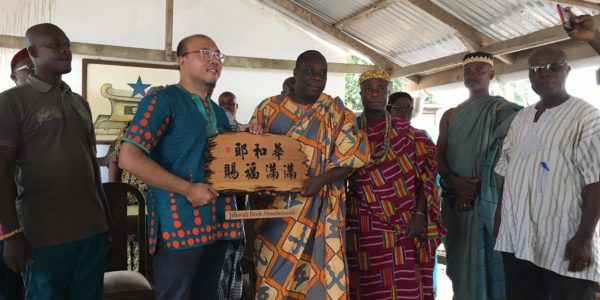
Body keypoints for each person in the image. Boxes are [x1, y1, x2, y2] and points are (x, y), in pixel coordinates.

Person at [118, 34, 259, 300]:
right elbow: (128, 157)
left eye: (218, 55)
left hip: (219, 224)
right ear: (181, 60)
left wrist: (249, 136)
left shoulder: (218, 112)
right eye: (204, 53)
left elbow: (231, 158)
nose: (214, 60)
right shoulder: (162, 101)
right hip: (179, 226)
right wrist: (187, 189)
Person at [0, 23, 111, 300]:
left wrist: (106, 219)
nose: (65, 50)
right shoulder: (11, 102)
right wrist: (11, 234)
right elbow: (1, 173)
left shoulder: (79, 103)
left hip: (91, 231)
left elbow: (90, 165)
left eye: (67, 44)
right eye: (55, 45)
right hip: (42, 236)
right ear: (33, 52)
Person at [250, 50, 368, 299]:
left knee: (320, 283)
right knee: (272, 284)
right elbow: (250, 158)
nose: (316, 78)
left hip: (322, 210)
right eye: (309, 71)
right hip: (277, 214)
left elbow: (352, 160)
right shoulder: (268, 109)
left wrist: (320, 181)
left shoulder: (337, 113)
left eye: (322, 73)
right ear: (295, 73)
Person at [493, 47, 600, 300]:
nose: (545, 74)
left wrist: (584, 237)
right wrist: (500, 220)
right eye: (537, 70)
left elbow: (597, 180)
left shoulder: (586, 117)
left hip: (563, 239)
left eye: (553, 67)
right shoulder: (521, 118)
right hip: (517, 236)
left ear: (567, 70)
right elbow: (507, 173)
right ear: (530, 77)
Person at [346, 70, 444, 300]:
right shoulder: (348, 132)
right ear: (361, 94)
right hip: (362, 226)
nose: (375, 94)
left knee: (402, 287)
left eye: (381, 89)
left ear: (388, 94)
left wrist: (420, 214)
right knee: (365, 288)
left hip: (404, 225)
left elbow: (428, 176)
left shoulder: (409, 134)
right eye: (369, 89)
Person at [437, 51, 522, 300]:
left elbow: (510, 151)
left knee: (492, 261)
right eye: (468, 71)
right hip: (455, 200)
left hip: (487, 200)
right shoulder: (450, 114)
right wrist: (454, 182)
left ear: (491, 74)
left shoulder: (503, 110)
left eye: (479, 70)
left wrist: (477, 185)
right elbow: (439, 156)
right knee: (460, 266)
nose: (473, 75)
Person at [0, 48, 33, 300]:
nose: (36, 74)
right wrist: (9, 234)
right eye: (28, 69)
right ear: (13, 77)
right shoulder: (7, 108)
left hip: (39, 225)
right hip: (9, 226)